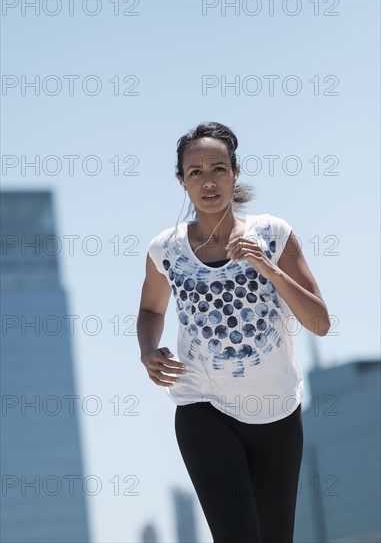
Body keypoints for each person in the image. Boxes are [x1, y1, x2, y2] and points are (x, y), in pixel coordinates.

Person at [137, 121, 331, 543]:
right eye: (196, 172)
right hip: (202, 404)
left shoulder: (274, 234)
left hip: (276, 409)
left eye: (218, 169)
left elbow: (320, 322)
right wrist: (148, 351)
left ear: (234, 173)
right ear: (181, 182)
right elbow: (152, 308)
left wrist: (268, 268)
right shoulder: (165, 249)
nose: (208, 181)